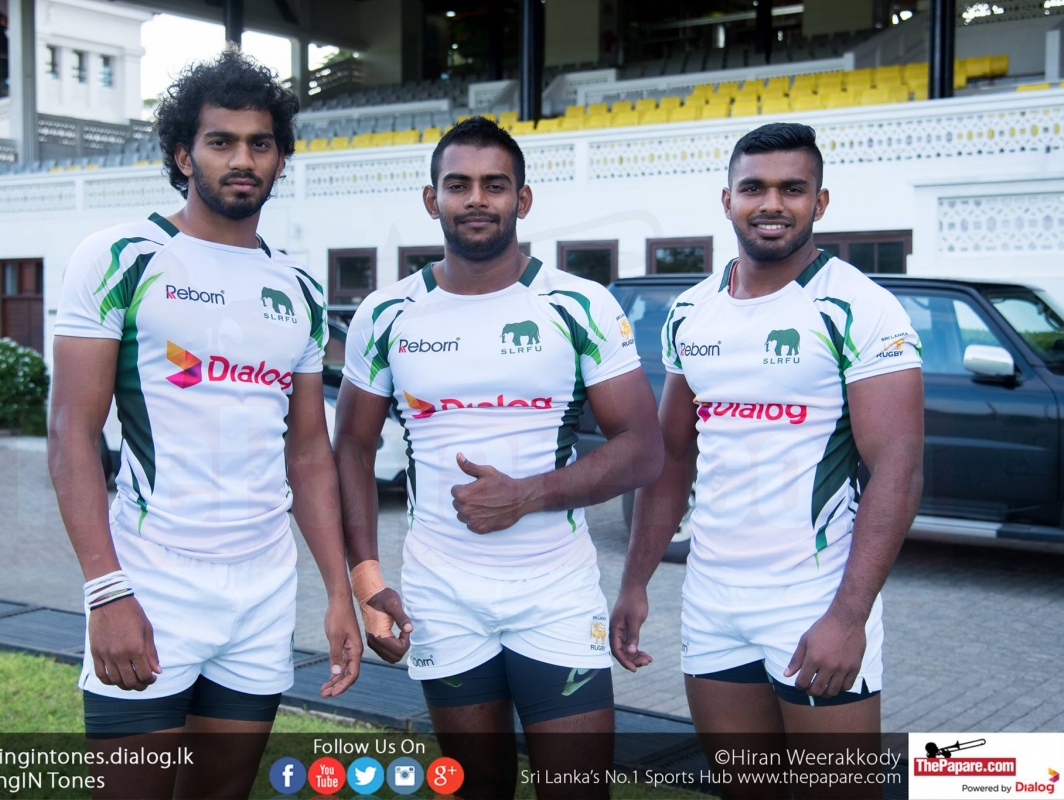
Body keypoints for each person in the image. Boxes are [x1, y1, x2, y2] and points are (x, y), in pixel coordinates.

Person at [48, 49, 361, 799]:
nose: (242, 159)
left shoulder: (298, 285)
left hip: (261, 589)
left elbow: (308, 453)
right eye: (221, 141)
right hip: (152, 577)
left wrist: (337, 591)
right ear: (184, 155)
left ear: (280, 159)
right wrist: (105, 590)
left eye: (260, 143)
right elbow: (71, 433)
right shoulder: (121, 256)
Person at [334, 117, 663, 799]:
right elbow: (353, 450)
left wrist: (528, 494)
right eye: (458, 185)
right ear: (432, 200)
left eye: (495, 184)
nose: (477, 199)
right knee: (478, 788)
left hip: (556, 590)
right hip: (440, 594)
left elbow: (643, 449)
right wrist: (366, 580)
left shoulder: (578, 304)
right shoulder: (386, 313)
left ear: (523, 198)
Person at [611, 122, 924, 797]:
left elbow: (898, 471)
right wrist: (635, 582)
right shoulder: (691, 311)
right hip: (712, 601)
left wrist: (848, 617)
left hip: (814, 600)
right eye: (753, 188)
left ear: (821, 201)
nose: (772, 204)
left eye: (792, 189)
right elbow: (671, 459)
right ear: (727, 200)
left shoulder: (862, 308)